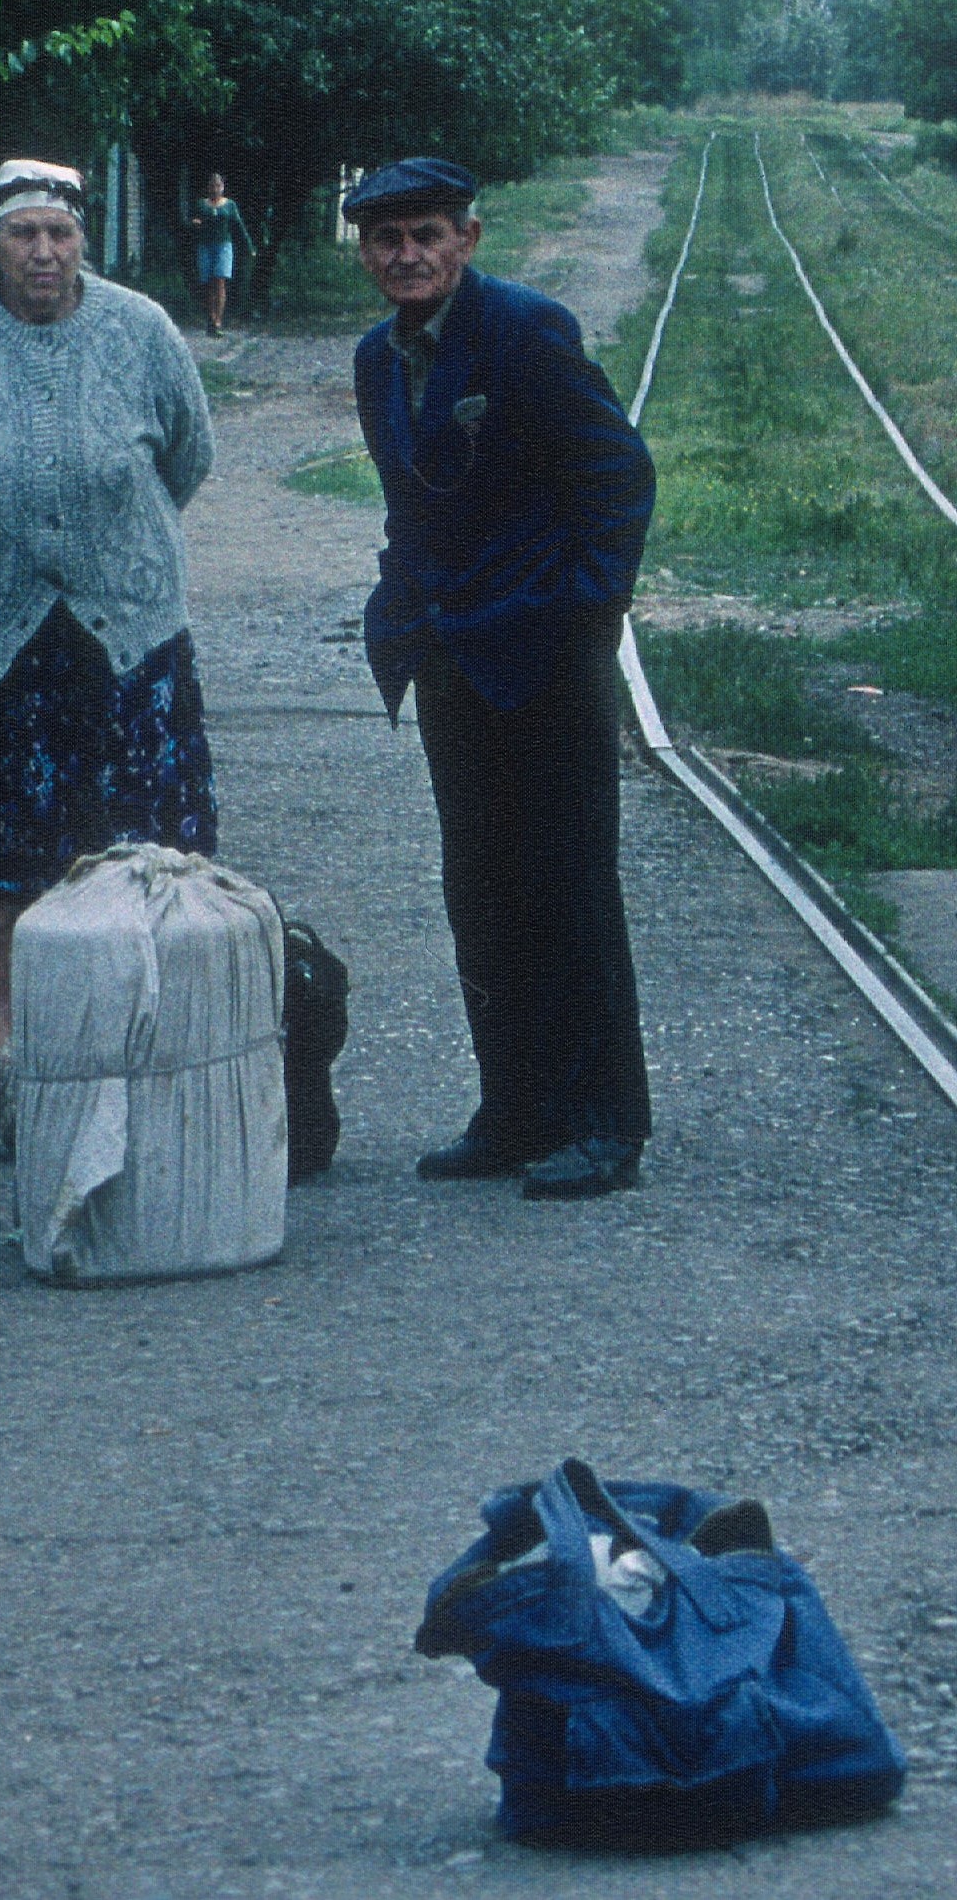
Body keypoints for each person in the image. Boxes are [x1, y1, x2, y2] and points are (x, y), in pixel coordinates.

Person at [0, 161, 220, 1109]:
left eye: (59, 234)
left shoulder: (142, 330)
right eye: (22, 234)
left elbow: (188, 456)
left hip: (127, 631)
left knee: (144, 847)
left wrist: (112, 552)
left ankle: (142, 1031)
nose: (43, 252)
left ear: (82, 243)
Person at [346, 154, 654, 1200]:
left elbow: (619, 473)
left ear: (468, 238)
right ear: (366, 253)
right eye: (389, 239)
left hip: (547, 653)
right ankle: (515, 1106)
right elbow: (410, 503)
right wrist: (400, 605)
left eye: (429, 233)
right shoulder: (375, 358)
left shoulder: (525, 329)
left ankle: (606, 1120)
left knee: (569, 882)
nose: (409, 254)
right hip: (450, 652)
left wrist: (587, 609)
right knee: (479, 886)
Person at [185, 172, 250, 336]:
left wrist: (249, 245)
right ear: (208, 187)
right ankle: (211, 317)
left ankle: (218, 321)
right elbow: (191, 221)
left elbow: (238, 225)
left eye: (218, 186)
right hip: (205, 245)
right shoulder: (201, 205)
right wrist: (195, 223)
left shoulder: (230, 205)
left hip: (223, 246)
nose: (215, 189)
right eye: (212, 185)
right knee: (207, 283)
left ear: (223, 187)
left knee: (219, 280)